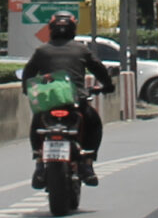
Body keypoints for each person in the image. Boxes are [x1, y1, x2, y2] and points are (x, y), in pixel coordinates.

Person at [20, 12, 113, 187]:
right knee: (94, 122)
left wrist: (27, 89)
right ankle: (88, 164)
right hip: (76, 101)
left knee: (37, 122)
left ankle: (39, 162)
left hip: (49, 102)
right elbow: (99, 69)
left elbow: (28, 74)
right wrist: (108, 85)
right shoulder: (81, 49)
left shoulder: (42, 51)